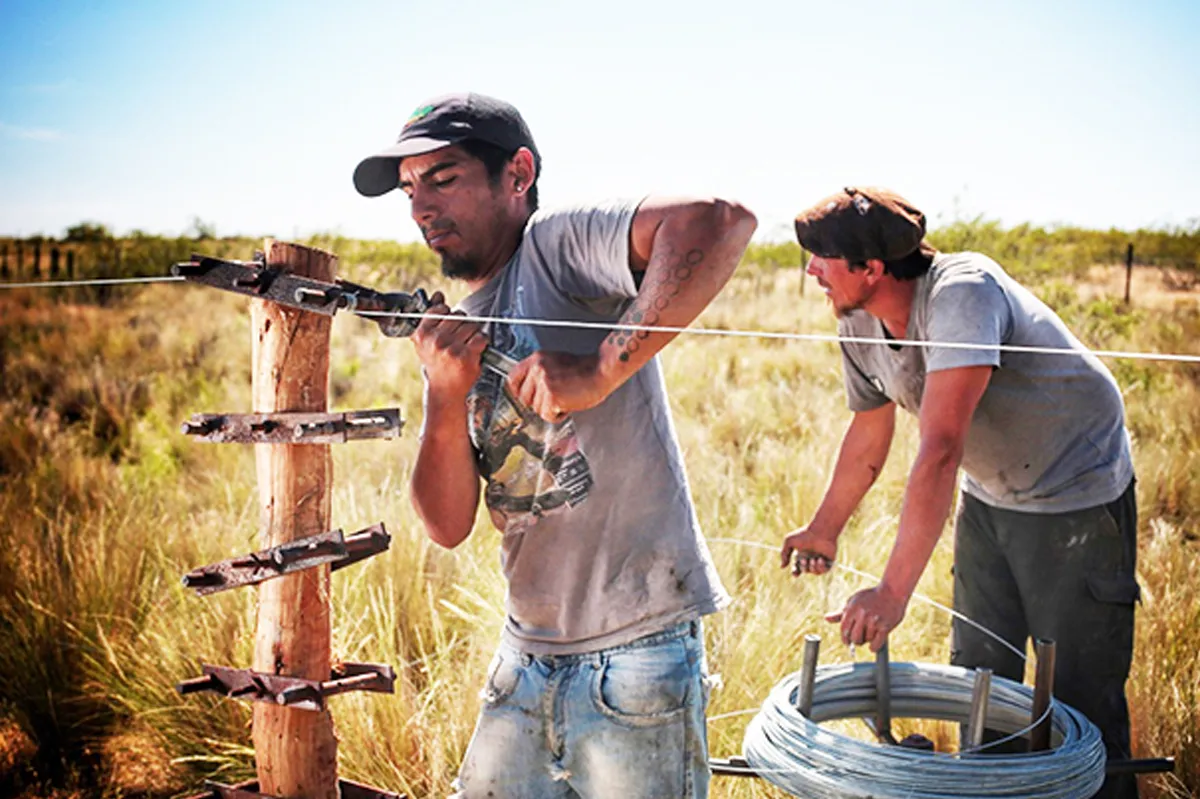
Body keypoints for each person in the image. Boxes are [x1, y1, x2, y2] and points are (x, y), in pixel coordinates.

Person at [353, 92, 756, 798]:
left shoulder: (556, 247)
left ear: (518, 173)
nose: (421, 207)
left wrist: (604, 369)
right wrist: (444, 393)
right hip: (526, 654)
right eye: (410, 189)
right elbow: (447, 527)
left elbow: (718, 219)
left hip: (637, 647)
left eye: (443, 178)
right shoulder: (459, 325)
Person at [779, 187, 1139, 798]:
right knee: (980, 680)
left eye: (822, 257)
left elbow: (940, 447)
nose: (810, 270)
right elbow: (870, 430)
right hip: (990, 493)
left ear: (873, 268)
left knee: (1079, 700)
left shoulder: (962, 291)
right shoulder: (856, 319)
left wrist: (893, 592)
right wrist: (825, 528)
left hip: (1075, 490)